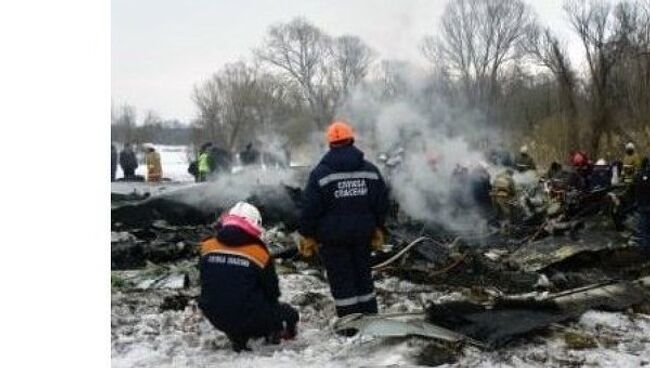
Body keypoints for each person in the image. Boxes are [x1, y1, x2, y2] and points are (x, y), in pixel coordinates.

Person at [298, 121, 389, 318]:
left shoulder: (320, 174)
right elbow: (382, 202)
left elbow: (310, 208)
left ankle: (350, 325)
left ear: (330, 144)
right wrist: (379, 227)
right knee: (363, 276)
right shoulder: (370, 170)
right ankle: (370, 318)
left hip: (332, 240)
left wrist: (307, 234)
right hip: (363, 235)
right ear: (351, 140)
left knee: (342, 280)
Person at [199, 202, 299, 352]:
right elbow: (272, 292)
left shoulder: (207, 247)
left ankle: (238, 339)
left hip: (215, 316)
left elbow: (208, 280)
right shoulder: (259, 253)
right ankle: (281, 335)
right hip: (250, 316)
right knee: (289, 313)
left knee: (232, 302)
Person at [631, 157, 650, 250]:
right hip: (645, 204)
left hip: (642, 204)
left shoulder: (639, 175)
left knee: (643, 226)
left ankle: (644, 247)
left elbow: (634, 188)